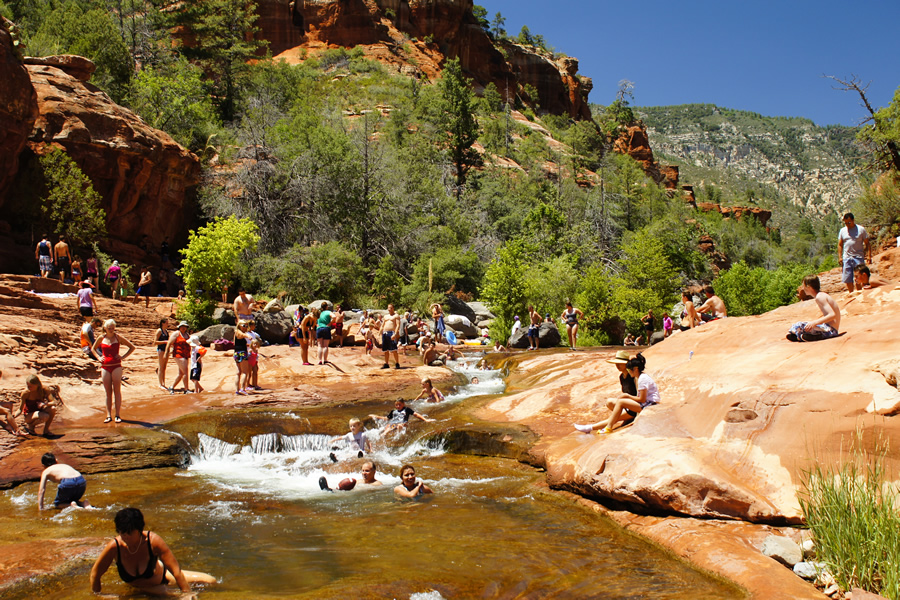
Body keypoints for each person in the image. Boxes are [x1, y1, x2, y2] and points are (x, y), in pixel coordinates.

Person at [90, 507, 216, 597]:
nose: (125, 537)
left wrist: (187, 593)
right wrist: (99, 596)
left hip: (163, 578)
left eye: (129, 533)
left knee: (211, 581)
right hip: (148, 589)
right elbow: (95, 574)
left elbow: (175, 571)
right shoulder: (115, 547)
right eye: (121, 532)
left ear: (139, 530)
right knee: (167, 594)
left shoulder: (153, 541)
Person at [574, 353, 659, 434]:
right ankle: (620, 418)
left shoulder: (638, 378)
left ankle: (593, 427)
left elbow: (641, 398)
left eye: (620, 364)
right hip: (637, 404)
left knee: (616, 411)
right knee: (611, 403)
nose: (617, 366)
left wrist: (627, 397)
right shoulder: (625, 377)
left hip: (644, 405)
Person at [90, 319, 136, 423]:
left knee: (117, 391)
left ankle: (118, 415)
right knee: (108, 392)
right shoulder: (101, 337)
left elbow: (132, 347)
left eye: (112, 328)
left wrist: (122, 357)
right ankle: (108, 415)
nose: (111, 330)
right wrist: (98, 357)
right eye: (109, 328)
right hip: (105, 366)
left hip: (116, 366)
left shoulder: (117, 337)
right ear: (105, 328)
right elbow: (93, 348)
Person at [787, 275, 841, 342]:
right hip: (829, 328)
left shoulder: (820, 297)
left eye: (803, 286)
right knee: (800, 325)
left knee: (799, 325)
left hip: (831, 330)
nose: (803, 288)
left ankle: (811, 336)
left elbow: (832, 315)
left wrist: (815, 323)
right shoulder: (821, 295)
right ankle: (801, 336)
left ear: (809, 287)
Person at [838, 212, 872, 293]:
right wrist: (840, 257)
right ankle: (851, 293)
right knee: (848, 278)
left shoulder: (861, 229)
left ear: (853, 220)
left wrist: (869, 256)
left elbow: (867, 243)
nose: (847, 225)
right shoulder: (842, 231)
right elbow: (840, 244)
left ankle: (859, 292)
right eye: (845, 223)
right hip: (847, 257)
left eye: (849, 222)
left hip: (858, 257)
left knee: (859, 276)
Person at [369, 398, 435, 434]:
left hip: (402, 423)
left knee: (399, 426)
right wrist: (375, 416)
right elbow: (386, 418)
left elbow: (416, 414)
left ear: (403, 404)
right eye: (396, 405)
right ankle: (385, 434)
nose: (398, 406)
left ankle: (397, 435)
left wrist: (426, 420)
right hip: (393, 423)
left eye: (400, 405)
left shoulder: (407, 409)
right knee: (388, 427)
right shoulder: (393, 411)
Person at [318, 460, 383, 492]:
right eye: (363, 470)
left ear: (374, 472)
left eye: (367, 471)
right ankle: (329, 490)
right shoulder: (358, 481)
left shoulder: (377, 484)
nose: (364, 473)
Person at [165, 321, 191, 393]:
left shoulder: (187, 335)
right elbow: (169, 343)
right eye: (182, 326)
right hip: (178, 354)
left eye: (185, 326)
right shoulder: (176, 334)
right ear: (179, 327)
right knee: (185, 372)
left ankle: (172, 387)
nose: (183, 328)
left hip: (186, 355)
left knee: (181, 374)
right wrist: (166, 352)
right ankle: (186, 389)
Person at [380, 304, 402, 369]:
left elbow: (398, 325)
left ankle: (397, 363)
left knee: (394, 349)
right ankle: (386, 363)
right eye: (388, 308)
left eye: (391, 308)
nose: (389, 309)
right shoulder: (385, 316)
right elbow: (383, 324)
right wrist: (380, 332)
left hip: (391, 332)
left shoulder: (396, 316)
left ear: (393, 308)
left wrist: (395, 334)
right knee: (385, 349)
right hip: (385, 332)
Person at [233, 320, 252, 394]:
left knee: (238, 372)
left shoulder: (237, 333)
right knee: (244, 372)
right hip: (242, 353)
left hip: (236, 353)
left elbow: (236, 343)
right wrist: (248, 336)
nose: (245, 327)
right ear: (239, 325)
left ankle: (237, 390)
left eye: (247, 326)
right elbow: (242, 335)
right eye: (244, 326)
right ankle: (242, 389)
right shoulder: (238, 332)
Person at [154, 318, 170, 390]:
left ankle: (163, 383)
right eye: (166, 323)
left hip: (166, 350)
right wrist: (164, 342)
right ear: (162, 323)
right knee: (161, 366)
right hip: (161, 349)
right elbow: (155, 342)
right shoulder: (159, 331)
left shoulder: (166, 331)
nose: (167, 324)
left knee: (164, 367)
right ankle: (160, 384)